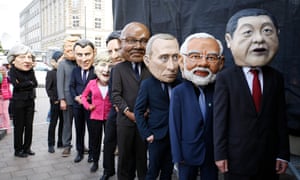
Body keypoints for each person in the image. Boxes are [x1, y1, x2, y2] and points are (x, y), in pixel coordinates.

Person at [213, 8, 290, 180]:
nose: (259, 39)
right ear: (229, 40)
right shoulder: (225, 78)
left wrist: (283, 153)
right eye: (248, 32)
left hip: (268, 159)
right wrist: (220, 154)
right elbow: (219, 120)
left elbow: (281, 119)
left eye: (267, 31)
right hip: (236, 159)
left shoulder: (276, 78)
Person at [169, 32, 224, 179]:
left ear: (221, 63)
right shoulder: (178, 92)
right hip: (186, 154)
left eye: (211, 58)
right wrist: (177, 156)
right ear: (182, 60)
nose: (203, 63)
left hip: (212, 154)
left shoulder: (220, 91)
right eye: (195, 56)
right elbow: (174, 126)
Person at [134, 33, 182, 180]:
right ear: (148, 60)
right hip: (156, 136)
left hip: (174, 136)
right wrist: (147, 134)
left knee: (168, 170)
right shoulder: (147, 84)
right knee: (153, 170)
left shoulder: (180, 83)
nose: (172, 65)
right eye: (164, 58)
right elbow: (138, 110)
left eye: (175, 57)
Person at [111, 22, 151, 180]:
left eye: (143, 41)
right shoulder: (118, 69)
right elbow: (115, 95)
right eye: (132, 41)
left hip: (145, 123)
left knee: (142, 157)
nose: (138, 46)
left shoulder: (151, 68)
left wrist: (148, 111)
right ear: (122, 43)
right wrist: (128, 113)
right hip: (125, 123)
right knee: (125, 157)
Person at [81, 52, 113, 173]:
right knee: (95, 141)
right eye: (103, 65)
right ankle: (95, 162)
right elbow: (83, 97)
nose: (107, 70)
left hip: (110, 117)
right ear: (95, 67)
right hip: (95, 116)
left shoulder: (113, 83)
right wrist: (88, 106)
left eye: (110, 66)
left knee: (109, 142)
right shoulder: (91, 83)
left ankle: (108, 167)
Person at [7, 44, 38, 158]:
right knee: (19, 126)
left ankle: (27, 147)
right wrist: (28, 84)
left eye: (29, 57)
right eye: (22, 57)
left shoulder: (31, 71)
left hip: (30, 101)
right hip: (18, 102)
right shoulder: (13, 71)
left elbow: (35, 83)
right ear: (13, 60)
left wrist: (25, 84)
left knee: (29, 126)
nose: (27, 60)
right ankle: (18, 149)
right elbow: (16, 85)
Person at [101, 30, 124, 180]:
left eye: (117, 50)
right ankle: (108, 170)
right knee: (108, 140)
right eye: (110, 51)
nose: (114, 55)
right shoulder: (113, 68)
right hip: (115, 111)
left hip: (131, 113)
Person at [69, 39, 97, 163]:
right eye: (80, 55)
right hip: (77, 107)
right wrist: (76, 97)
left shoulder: (96, 71)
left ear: (93, 54)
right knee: (79, 130)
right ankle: (79, 152)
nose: (84, 58)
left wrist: (88, 98)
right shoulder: (75, 71)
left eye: (87, 54)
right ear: (75, 55)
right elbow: (71, 86)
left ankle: (92, 153)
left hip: (91, 107)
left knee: (92, 131)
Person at [57, 35, 80, 157]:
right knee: (67, 124)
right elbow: (60, 83)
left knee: (80, 124)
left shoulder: (79, 63)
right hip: (68, 100)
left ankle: (81, 145)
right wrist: (62, 99)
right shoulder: (62, 64)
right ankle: (67, 146)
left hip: (80, 99)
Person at [46, 51, 64, 153]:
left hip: (64, 102)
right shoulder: (51, 73)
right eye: (61, 59)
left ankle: (60, 142)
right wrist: (54, 100)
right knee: (53, 123)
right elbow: (48, 89)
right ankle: (51, 144)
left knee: (63, 123)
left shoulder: (64, 72)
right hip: (55, 103)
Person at [0, 62, 12, 134]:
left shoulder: (7, 78)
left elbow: (9, 86)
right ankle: (1, 126)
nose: (2, 72)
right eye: (0, 70)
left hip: (5, 98)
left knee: (5, 112)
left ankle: (7, 128)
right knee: (0, 113)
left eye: (3, 70)